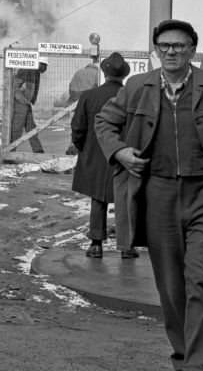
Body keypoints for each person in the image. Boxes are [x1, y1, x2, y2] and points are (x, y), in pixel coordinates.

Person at [96, 19, 203, 371]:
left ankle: (200, 367)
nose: (171, 52)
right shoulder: (136, 87)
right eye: (164, 46)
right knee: (173, 289)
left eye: (178, 46)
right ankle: (184, 358)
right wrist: (119, 152)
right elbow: (104, 121)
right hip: (158, 195)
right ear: (156, 50)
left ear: (192, 49)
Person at [70, 52, 136, 258]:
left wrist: (84, 149)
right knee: (126, 200)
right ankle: (127, 246)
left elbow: (78, 128)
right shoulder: (132, 96)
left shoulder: (89, 96)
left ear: (105, 73)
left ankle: (96, 244)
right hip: (123, 154)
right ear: (124, 74)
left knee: (98, 199)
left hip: (96, 154)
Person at [10, 60, 47, 153]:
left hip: (26, 103)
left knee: (31, 127)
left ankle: (38, 150)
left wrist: (28, 101)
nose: (45, 68)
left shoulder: (35, 71)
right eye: (43, 65)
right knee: (17, 128)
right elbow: (14, 87)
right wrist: (22, 99)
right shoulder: (26, 70)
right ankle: (10, 151)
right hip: (20, 102)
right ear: (38, 63)